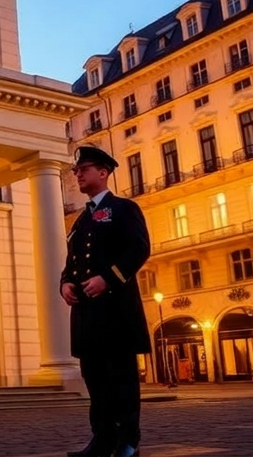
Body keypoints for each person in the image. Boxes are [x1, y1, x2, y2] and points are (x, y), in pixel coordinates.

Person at [61, 145, 152, 457]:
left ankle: (128, 440)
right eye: (76, 170)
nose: (77, 174)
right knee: (96, 380)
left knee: (121, 379)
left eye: (83, 169)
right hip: (88, 314)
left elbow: (138, 249)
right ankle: (102, 439)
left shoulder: (123, 208)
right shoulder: (80, 220)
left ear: (103, 172)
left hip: (116, 312)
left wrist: (108, 279)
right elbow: (72, 262)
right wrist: (65, 283)